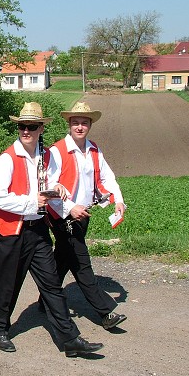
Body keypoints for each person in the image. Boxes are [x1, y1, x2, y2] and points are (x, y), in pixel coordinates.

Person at [0, 102, 104, 356]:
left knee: (52, 284)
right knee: (7, 284)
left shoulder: (46, 155)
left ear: (41, 128)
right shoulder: (7, 159)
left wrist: (57, 188)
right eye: (22, 126)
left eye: (31, 126)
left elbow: (49, 181)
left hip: (38, 229)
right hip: (12, 231)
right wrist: (32, 202)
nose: (26, 131)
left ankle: (69, 339)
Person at [45, 102, 127, 330]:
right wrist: (70, 208)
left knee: (62, 259)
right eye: (75, 122)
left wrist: (118, 199)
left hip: (84, 214)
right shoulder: (57, 151)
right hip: (63, 215)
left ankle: (45, 300)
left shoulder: (93, 149)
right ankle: (105, 312)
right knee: (81, 263)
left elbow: (107, 177)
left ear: (90, 125)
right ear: (69, 124)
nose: (79, 127)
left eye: (84, 122)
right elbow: (49, 186)